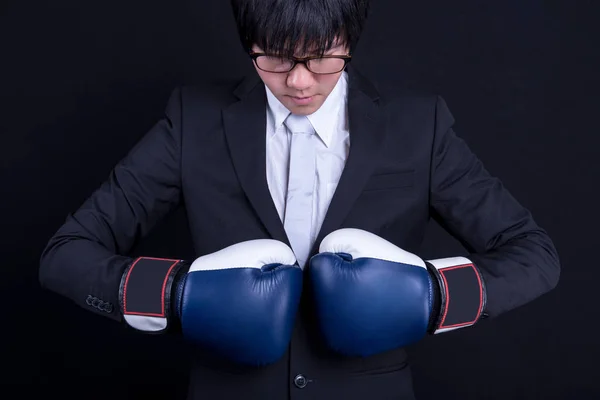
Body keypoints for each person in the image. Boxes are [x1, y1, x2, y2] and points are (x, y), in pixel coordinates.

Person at [38, 0, 561, 399]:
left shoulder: (416, 128)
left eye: (320, 58)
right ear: (250, 44)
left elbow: (533, 253)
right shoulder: (193, 122)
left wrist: (435, 297)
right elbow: (66, 253)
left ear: (349, 41)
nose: (299, 80)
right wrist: (179, 297)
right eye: (275, 58)